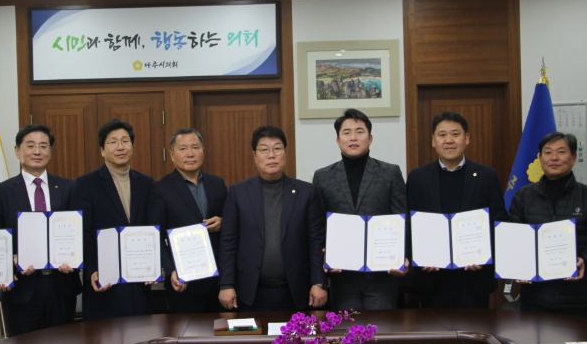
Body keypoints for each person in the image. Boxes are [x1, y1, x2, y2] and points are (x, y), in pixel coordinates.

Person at [218, 125, 327, 311]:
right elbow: (228, 241)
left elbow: (316, 240)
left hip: (296, 289)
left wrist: (318, 282)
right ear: (254, 155)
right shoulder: (238, 192)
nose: (271, 155)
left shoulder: (306, 192)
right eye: (264, 150)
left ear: (285, 153)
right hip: (250, 290)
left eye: (277, 148)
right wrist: (226, 284)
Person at [0, 124, 81, 336]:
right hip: (21, 289)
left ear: (50, 152)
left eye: (43, 146)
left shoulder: (68, 188)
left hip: (61, 286)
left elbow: (79, 232)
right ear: (17, 151)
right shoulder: (2, 191)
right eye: (30, 146)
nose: (37, 151)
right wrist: (9, 262)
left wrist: (74, 257)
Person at [406, 111, 507, 308]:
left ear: (466, 138)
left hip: (474, 277)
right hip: (432, 278)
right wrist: (417, 256)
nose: (449, 140)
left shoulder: (487, 176)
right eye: (442, 135)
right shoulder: (418, 177)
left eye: (455, 134)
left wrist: (486, 255)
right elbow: (408, 223)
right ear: (433, 141)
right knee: (434, 328)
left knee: (475, 326)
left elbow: (499, 221)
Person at [313, 108, 408, 310]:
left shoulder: (390, 173)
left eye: (360, 132)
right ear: (338, 140)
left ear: (370, 138)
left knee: (381, 329)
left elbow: (401, 219)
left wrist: (402, 256)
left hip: (382, 276)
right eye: (346, 132)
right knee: (345, 329)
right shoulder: (323, 177)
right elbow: (318, 226)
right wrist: (323, 260)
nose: (353, 137)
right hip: (341, 276)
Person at [509, 132, 587, 319]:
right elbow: (513, 240)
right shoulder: (523, 197)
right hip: (535, 299)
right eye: (548, 152)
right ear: (539, 158)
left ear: (573, 158)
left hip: (579, 300)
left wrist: (585, 259)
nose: (554, 157)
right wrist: (518, 265)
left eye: (561, 152)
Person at [71, 118, 154, 320]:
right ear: (102, 150)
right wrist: (92, 269)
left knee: (142, 334)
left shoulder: (146, 183)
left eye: (125, 141)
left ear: (132, 146)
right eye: (113, 142)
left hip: (139, 282)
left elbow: (153, 228)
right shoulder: (86, 184)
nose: (120, 147)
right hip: (104, 282)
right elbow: (83, 232)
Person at [148, 128, 227, 313]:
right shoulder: (160, 189)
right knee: (186, 330)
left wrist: (223, 222)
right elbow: (156, 237)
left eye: (195, 147)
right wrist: (171, 270)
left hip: (219, 281)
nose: (190, 154)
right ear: (172, 154)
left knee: (220, 329)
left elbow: (233, 223)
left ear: (203, 151)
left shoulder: (217, 184)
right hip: (184, 282)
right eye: (183, 149)